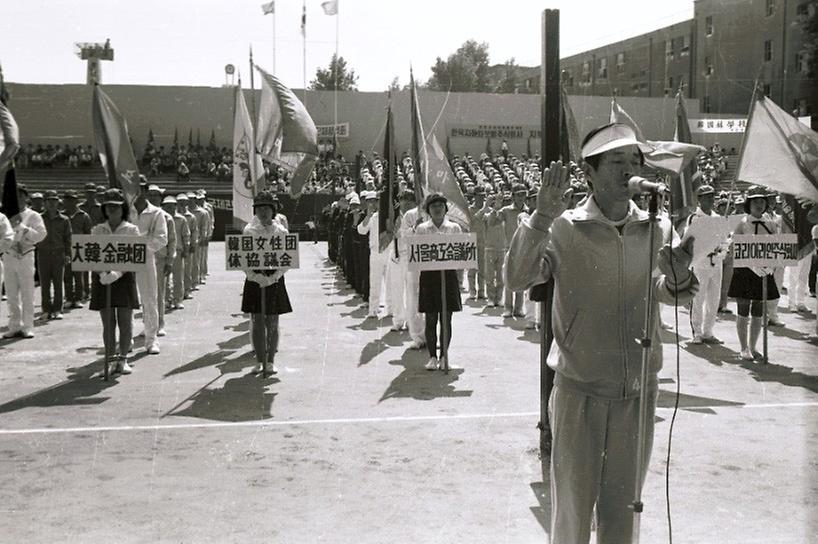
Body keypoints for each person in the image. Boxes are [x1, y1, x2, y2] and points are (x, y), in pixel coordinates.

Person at [505, 123, 698, 543]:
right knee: (572, 513)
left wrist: (679, 276)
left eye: (635, 160)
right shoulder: (562, 227)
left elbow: (669, 292)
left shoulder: (657, 226)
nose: (630, 169)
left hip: (638, 394)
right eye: (617, 161)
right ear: (589, 173)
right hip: (580, 393)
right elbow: (518, 277)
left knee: (624, 514)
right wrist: (540, 215)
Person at [89, 189, 141, 375]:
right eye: (108, 206)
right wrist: (102, 273)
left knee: (125, 321)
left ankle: (123, 360)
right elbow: (91, 256)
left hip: (124, 279)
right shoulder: (97, 230)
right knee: (108, 322)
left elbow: (135, 256)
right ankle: (110, 360)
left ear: (123, 208)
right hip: (103, 280)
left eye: (116, 206)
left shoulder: (132, 230)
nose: (112, 210)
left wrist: (118, 273)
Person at [241, 192, 293, 374]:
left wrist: (272, 278)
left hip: (275, 280)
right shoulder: (249, 231)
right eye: (260, 208)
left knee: (273, 320)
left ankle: (270, 360)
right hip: (255, 281)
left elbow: (288, 260)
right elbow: (243, 260)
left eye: (267, 208)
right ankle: (259, 359)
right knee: (256, 320)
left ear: (273, 210)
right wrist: (256, 277)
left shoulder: (281, 232)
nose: (263, 212)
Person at [727, 185, 780, 361]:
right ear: (749, 204)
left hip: (764, 271)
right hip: (745, 270)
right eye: (756, 201)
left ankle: (753, 346)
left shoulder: (771, 223)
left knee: (758, 309)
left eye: (762, 201)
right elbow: (736, 247)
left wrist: (771, 266)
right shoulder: (742, 223)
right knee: (743, 308)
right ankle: (743, 348)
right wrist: (751, 264)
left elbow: (777, 247)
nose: (759, 204)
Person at [416, 193, 463, 371]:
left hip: (448, 276)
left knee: (446, 318)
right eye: (433, 206)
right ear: (428, 210)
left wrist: (459, 278)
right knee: (430, 318)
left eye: (440, 206)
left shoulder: (454, 228)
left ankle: (444, 356)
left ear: (445, 209)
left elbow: (460, 254)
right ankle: (432, 357)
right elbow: (417, 254)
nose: (437, 209)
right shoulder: (421, 229)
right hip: (429, 277)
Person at [3, 185, 47, 339]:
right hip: (9, 256)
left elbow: (41, 235)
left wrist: (24, 229)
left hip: (26, 256)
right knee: (11, 293)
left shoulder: (33, 215)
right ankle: (14, 326)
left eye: (21, 196)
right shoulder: (4, 215)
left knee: (27, 293)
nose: (18, 199)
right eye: (15, 196)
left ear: (26, 198)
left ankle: (27, 326)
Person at [685, 184, 727, 344]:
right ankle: (696, 332)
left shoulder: (718, 218)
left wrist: (722, 250)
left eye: (712, 196)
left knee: (714, 299)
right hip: (701, 263)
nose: (711, 199)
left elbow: (724, 239)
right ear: (699, 199)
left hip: (716, 263)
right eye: (707, 196)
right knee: (698, 297)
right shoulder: (694, 218)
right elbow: (689, 240)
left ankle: (708, 332)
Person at [133, 179, 168, 354]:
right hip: (123, 259)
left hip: (145, 258)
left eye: (139, 189)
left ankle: (151, 340)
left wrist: (140, 248)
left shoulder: (156, 213)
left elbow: (162, 238)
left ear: (145, 191)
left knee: (149, 298)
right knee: (124, 300)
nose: (135, 192)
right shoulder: (124, 210)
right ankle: (125, 340)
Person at [397, 190, 426, 349]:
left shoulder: (435, 211)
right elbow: (404, 236)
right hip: (413, 260)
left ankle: (430, 334)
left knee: (429, 299)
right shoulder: (410, 215)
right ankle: (416, 336)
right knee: (413, 297)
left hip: (430, 262)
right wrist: (415, 227)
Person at [37, 190, 72, 320]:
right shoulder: (39, 218)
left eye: (54, 200)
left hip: (58, 253)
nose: (52, 203)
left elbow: (68, 238)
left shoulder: (64, 219)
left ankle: (58, 309)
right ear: (44, 203)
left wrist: (68, 254)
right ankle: (46, 310)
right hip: (43, 253)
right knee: (44, 283)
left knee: (58, 283)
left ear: (58, 202)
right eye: (49, 201)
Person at [147, 185, 176, 336]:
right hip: (144, 259)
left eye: (155, 195)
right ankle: (148, 326)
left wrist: (170, 261)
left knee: (159, 293)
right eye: (150, 195)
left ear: (160, 198)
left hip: (160, 259)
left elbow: (172, 241)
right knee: (146, 294)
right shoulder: (141, 215)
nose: (152, 198)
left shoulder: (166, 217)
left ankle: (160, 324)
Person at [498, 184, 529, 318]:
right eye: (518, 194)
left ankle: (518, 308)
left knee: (521, 279)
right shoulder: (505, 210)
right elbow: (493, 221)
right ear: (513, 196)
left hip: (523, 248)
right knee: (509, 278)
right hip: (509, 247)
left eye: (523, 194)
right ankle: (508, 308)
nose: (521, 197)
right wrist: (496, 206)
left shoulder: (529, 211)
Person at [357, 191, 388, 318]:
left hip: (389, 251)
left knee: (391, 282)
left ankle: (391, 309)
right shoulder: (373, 217)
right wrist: (368, 217)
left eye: (378, 201)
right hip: (375, 252)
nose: (376, 203)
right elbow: (361, 230)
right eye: (375, 201)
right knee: (374, 282)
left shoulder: (390, 216)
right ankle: (373, 309)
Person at [62, 190, 92, 309]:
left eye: (72, 200)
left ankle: (78, 298)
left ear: (76, 201)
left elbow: (88, 233)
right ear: (64, 201)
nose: (70, 202)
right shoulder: (62, 216)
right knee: (67, 276)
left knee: (79, 276)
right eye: (68, 199)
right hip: (66, 248)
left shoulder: (83, 216)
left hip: (79, 248)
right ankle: (69, 298)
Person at [162, 195, 190, 311]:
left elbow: (186, 235)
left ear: (175, 206)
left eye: (172, 205)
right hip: (163, 252)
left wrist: (186, 248)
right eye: (167, 206)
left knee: (178, 277)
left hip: (177, 251)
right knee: (165, 278)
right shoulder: (160, 218)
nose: (169, 208)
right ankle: (167, 300)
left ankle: (178, 300)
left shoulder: (182, 219)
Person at [483, 192, 507, 307]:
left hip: (502, 248)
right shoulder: (488, 215)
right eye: (496, 202)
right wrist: (494, 209)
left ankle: (499, 298)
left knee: (501, 277)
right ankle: (491, 298)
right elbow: (490, 222)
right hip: (490, 248)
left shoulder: (505, 214)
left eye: (500, 202)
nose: (498, 204)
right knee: (490, 276)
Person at [466, 187, 488, 300]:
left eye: (483, 195)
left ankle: (481, 291)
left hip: (484, 240)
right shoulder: (470, 209)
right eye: (479, 195)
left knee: (483, 268)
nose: (481, 197)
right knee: (472, 267)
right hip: (472, 240)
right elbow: (473, 221)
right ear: (474, 196)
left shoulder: (487, 209)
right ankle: (472, 291)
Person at [178, 193, 199, 298]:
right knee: (176, 273)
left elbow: (194, 231)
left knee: (187, 269)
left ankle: (187, 290)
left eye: (183, 201)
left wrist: (193, 243)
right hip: (176, 247)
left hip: (187, 246)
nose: (182, 203)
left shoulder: (191, 217)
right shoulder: (172, 215)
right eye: (179, 201)